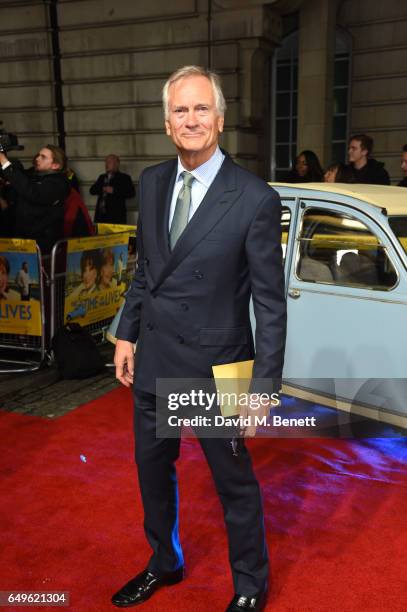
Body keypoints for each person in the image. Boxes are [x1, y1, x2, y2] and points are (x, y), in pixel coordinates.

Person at [112, 65, 287, 611]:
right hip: (156, 355)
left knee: (233, 485)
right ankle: (164, 562)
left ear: (221, 118)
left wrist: (263, 388)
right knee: (151, 470)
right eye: (181, 110)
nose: (191, 120)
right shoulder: (153, 181)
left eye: (201, 108)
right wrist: (125, 334)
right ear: (167, 123)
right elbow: (147, 270)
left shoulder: (254, 198)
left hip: (221, 367)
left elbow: (270, 303)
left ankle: (250, 585)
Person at [0, 145, 70, 254]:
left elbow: (32, 192)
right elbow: (19, 178)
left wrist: (4, 161)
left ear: (56, 165)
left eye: (43, 157)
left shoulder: (58, 183)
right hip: (22, 239)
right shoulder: (35, 175)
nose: (37, 158)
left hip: (42, 244)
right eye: (38, 155)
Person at [90, 155, 135, 224]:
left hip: (116, 217)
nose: (106, 165)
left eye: (109, 162)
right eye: (106, 162)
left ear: (117, 164)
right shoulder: (102, 177)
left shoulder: (124, 178)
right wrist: (102, 189)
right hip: (101, 216)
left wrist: (114, 190)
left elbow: (131, 193)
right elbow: (92, 190)